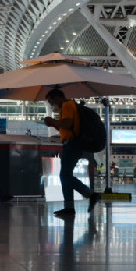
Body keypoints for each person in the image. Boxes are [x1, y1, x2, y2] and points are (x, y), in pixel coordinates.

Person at [43, 88, 100, 219]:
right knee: (65, 175)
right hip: (71, 143)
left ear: (57, 97)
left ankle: (90, 194)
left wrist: (52, 121)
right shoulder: (68, 106)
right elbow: (67, 125)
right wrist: (55, 125)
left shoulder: (68, 105)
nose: (51, 104)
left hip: (73, 144)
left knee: (64, 176)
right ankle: (69, 207)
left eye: (51, 101)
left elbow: (67, 124)